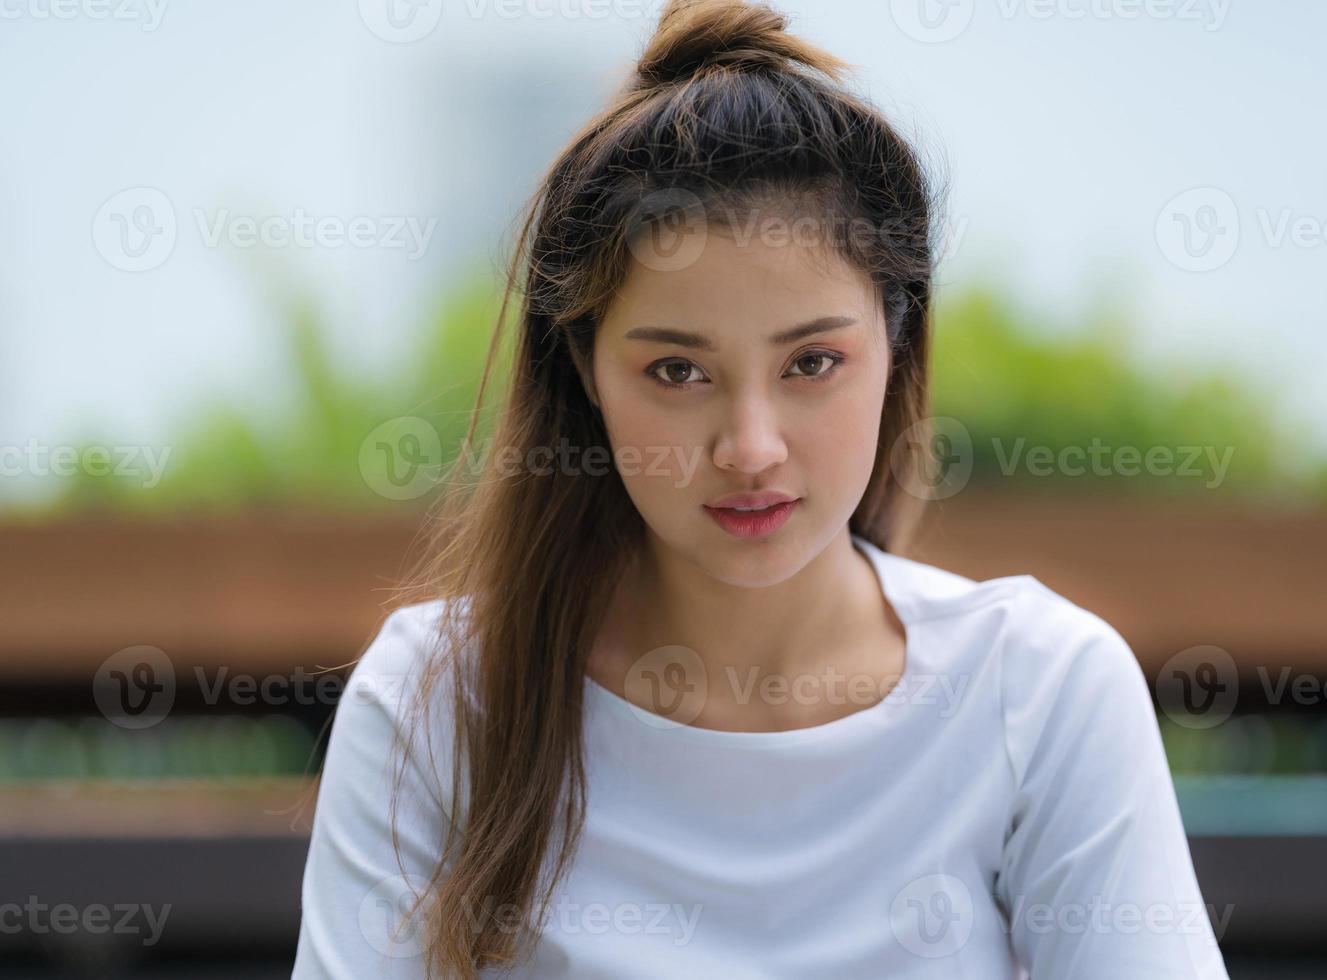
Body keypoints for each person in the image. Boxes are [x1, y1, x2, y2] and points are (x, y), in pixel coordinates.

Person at [291, 1, 1230, 976]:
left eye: (812, 362)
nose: (750, 446)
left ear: (897, 343)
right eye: (677, 371)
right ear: (584, 371)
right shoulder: (438, 705)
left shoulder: (1037, 691)